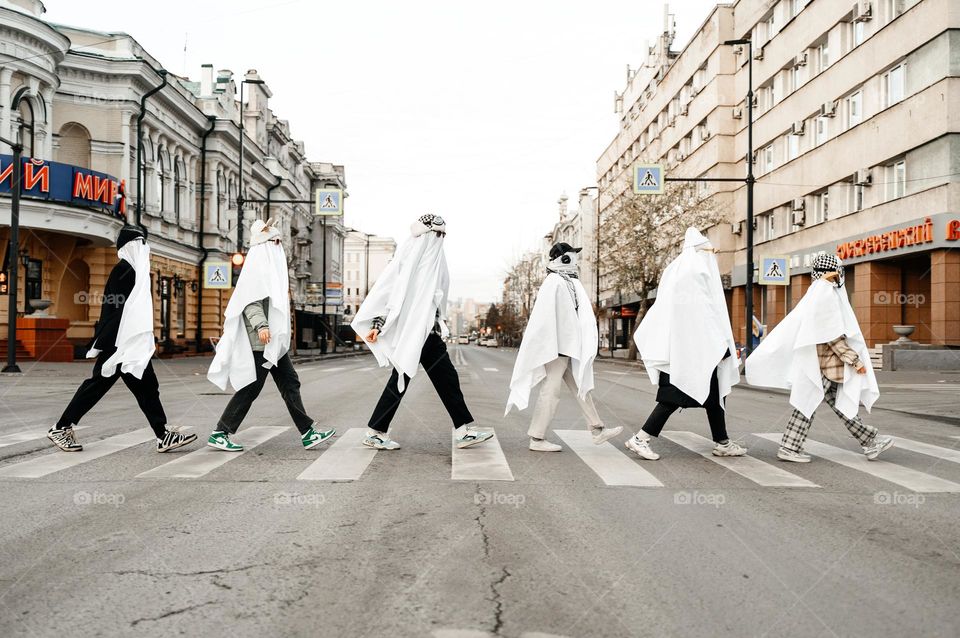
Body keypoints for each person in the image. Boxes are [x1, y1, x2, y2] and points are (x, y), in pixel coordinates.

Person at [48, 225, 196, 453]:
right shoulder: (123, 270)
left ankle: (163, 435)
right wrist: (111, 342)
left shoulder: (134, 271)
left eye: (144, 243)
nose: (143, 248)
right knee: (99, 386)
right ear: (129, 247)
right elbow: (115, 309)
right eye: (138, 243)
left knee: (146, 388)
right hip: (119, 342)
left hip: (130, 341)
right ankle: (61, 427)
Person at [352, 214, 493, 450]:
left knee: (443, 379)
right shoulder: (408, 261)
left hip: (428, 333)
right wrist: (377, 325)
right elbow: (390, 294)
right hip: (412, 333)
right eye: (436, 234)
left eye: (443, 235)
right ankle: (376, 431)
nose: (440, 239)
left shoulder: (434, 264)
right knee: (407, 379)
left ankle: (462, 429)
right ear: (426, 235)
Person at [746, 253, 892, 463]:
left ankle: (869, 441)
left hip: (821, 363)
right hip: (823, 363)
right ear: (834, 272)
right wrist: (854, 359)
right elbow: (830, 334)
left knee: (836, 402)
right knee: (808, 402)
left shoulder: (816, 293)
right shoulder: (826, 294)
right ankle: (789, 447)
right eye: (838, 271)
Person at [206, 219, 335, 451]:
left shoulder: (271, 271)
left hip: (273, 342)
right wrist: (262, 326)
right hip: (261, 341)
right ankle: (220, 433)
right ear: (264, 245)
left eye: (279, 241)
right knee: (251, 388)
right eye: (274, 241)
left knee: (290, 382)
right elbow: (250, 302)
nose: (279, 246)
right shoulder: (257, 270)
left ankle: (308, 432)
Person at [625, 227, 747, 460]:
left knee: (715, 395)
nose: (712, 258)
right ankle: (640, 438)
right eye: (710, 253)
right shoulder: (695, 274)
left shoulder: (678, 271)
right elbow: (705, 315)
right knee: (673, 397)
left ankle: (722, 442)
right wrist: (721, 346)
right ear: (701, 253)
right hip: (692, 352)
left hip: (686, 349)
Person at [505, 242, 622, 451]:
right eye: (572, 255)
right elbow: (545, 319)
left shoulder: (567, 281)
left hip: (567, 348)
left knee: (581, 386)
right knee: (551, 391)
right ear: (564, 258)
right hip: (557, 349)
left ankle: (597, 428)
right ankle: (537, 438)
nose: (576, 259)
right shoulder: (554, 282)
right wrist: (552, 345)